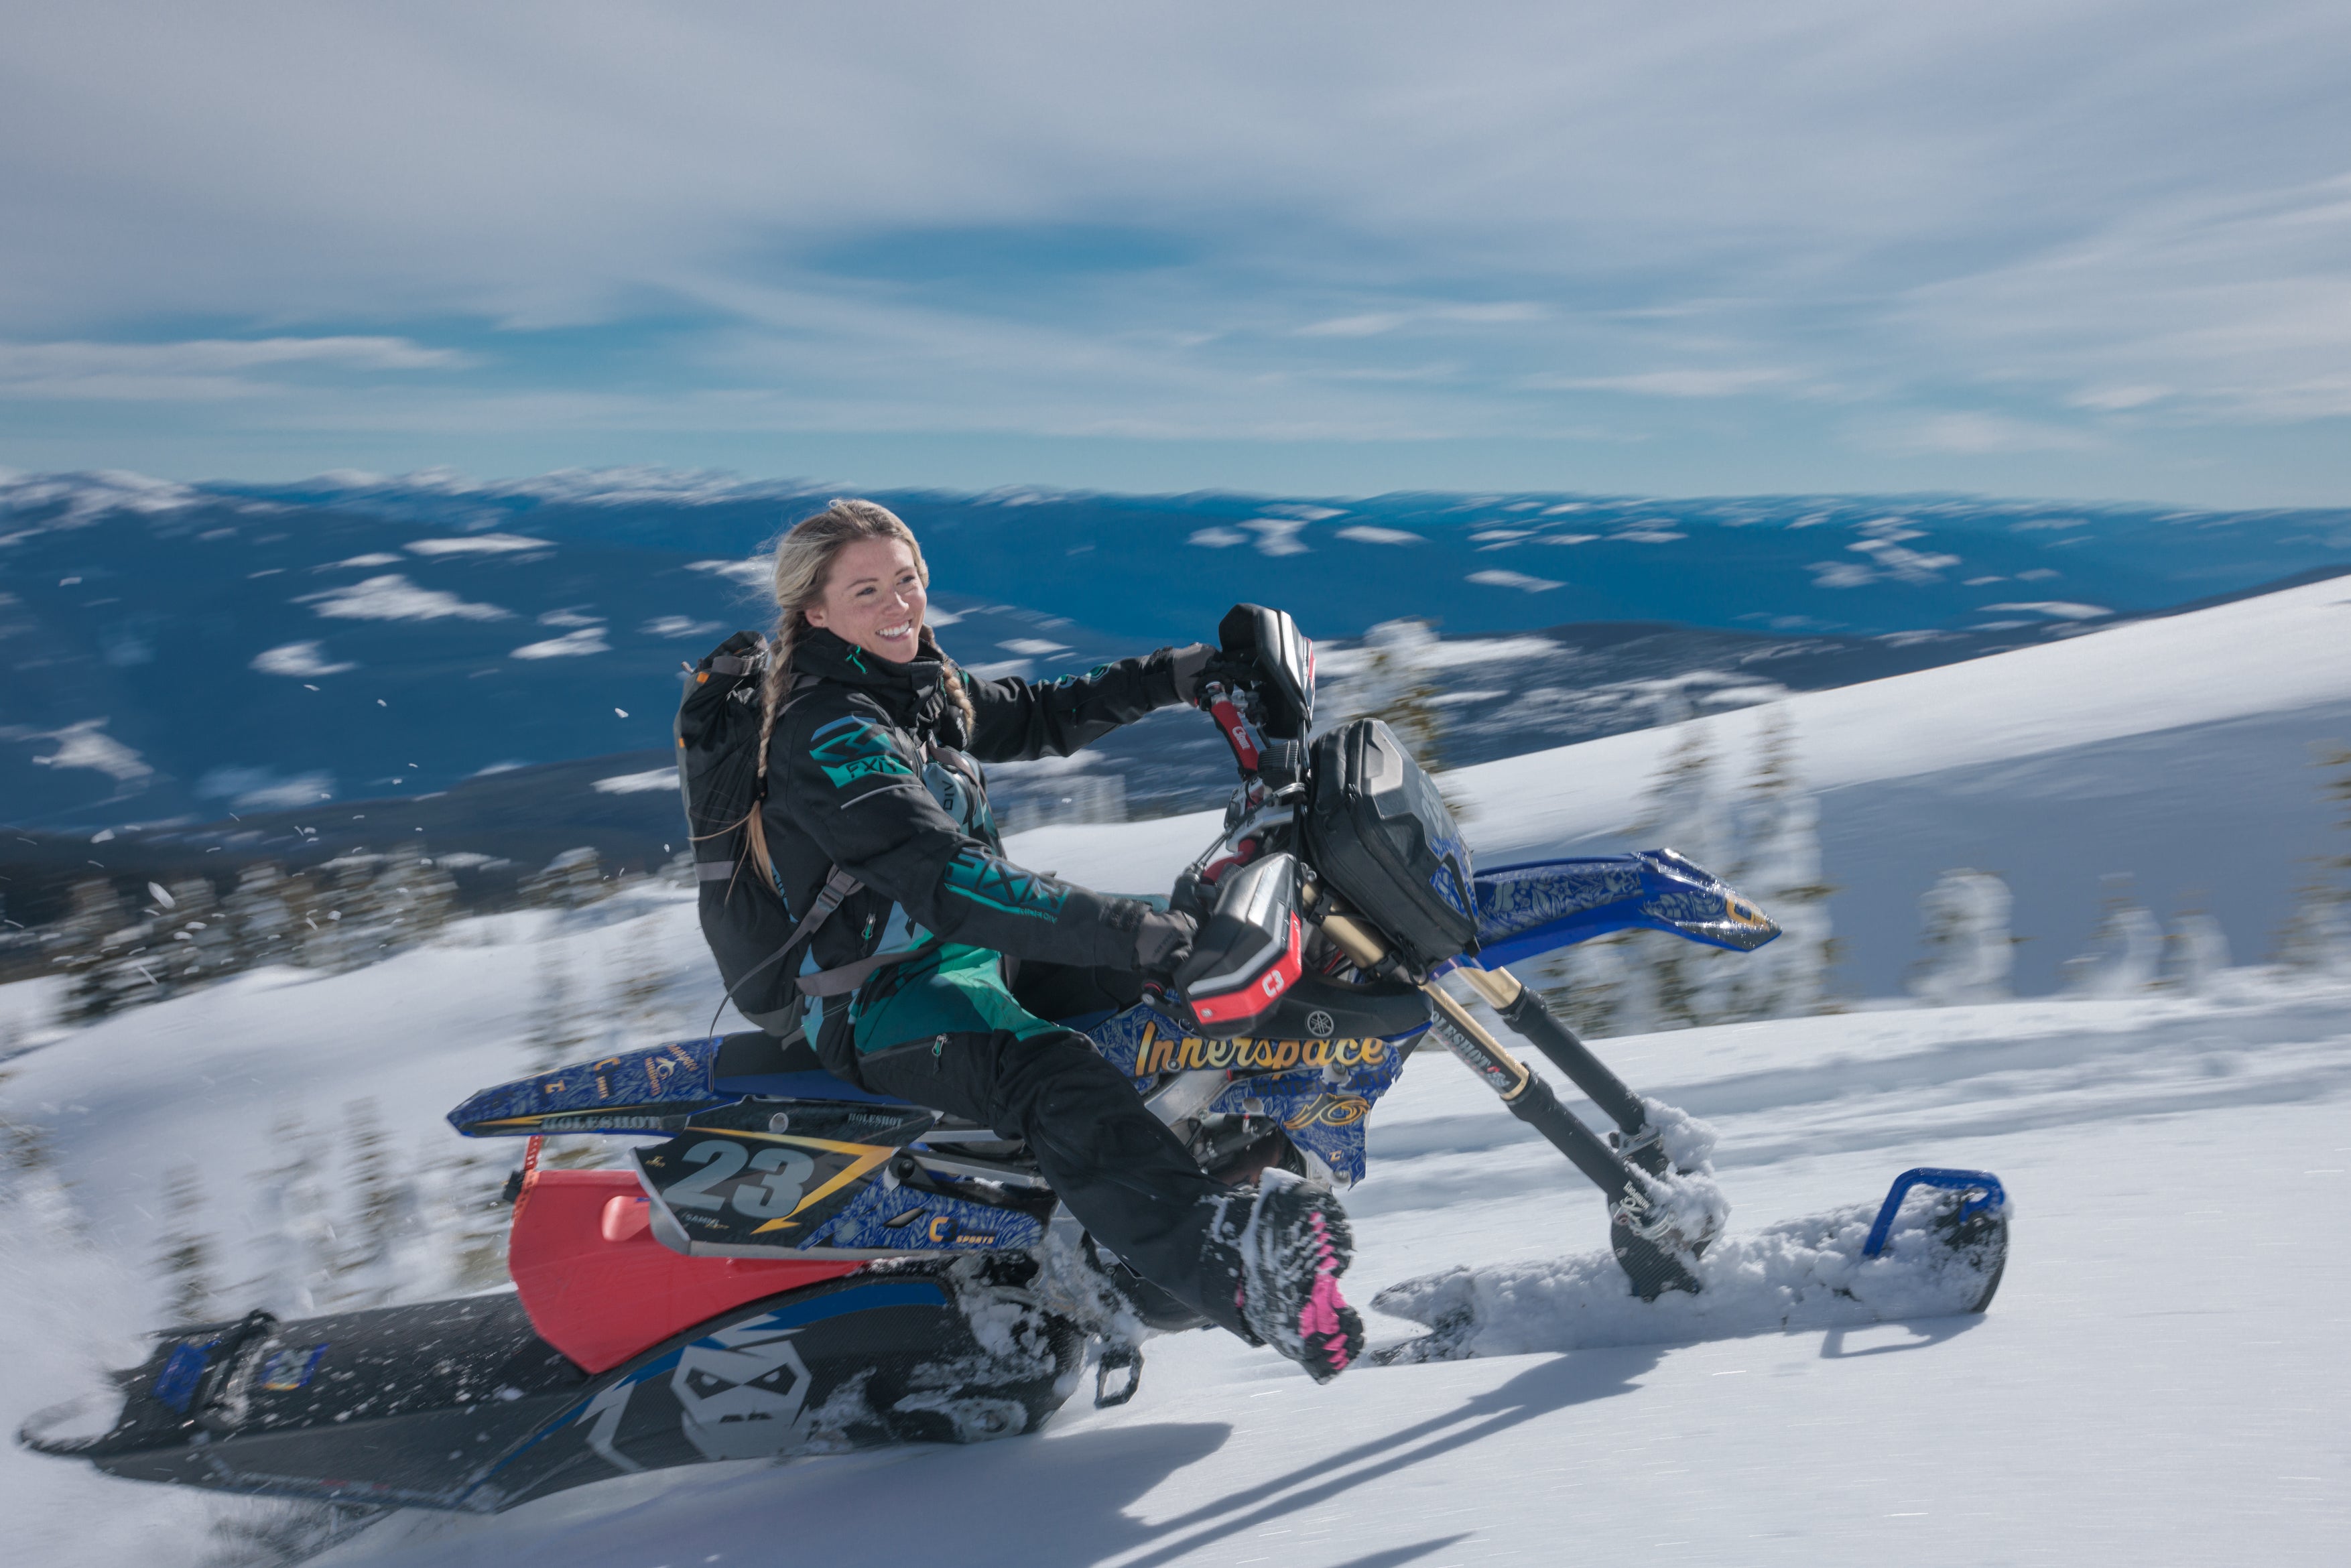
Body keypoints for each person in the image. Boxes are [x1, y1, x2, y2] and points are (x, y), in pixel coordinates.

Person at [752, 498, 1362, 1382]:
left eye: (907, 580)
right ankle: (1243, 1277)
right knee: (1059, 1076)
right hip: (884, 996)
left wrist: (1179, 675)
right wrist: (1137, 933)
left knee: (1171, 996)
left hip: (975, 953)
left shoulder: (911, 681)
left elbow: (1034, 715)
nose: (898, 605)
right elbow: (944, 880)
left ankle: (1213, 1169)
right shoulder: (834, 733)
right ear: (816, 614)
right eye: (867, 591)